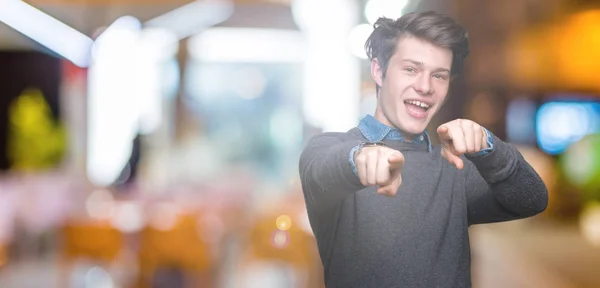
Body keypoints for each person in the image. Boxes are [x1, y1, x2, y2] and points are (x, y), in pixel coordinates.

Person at [298, 11, 548, 288]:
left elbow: (532, 199)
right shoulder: (330, 148)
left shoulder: (453, 169)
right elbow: (323, 172)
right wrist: (359, 159)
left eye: (438, 76)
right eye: (411, 69)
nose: (425, 87)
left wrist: (489, 146)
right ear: (379, 71)